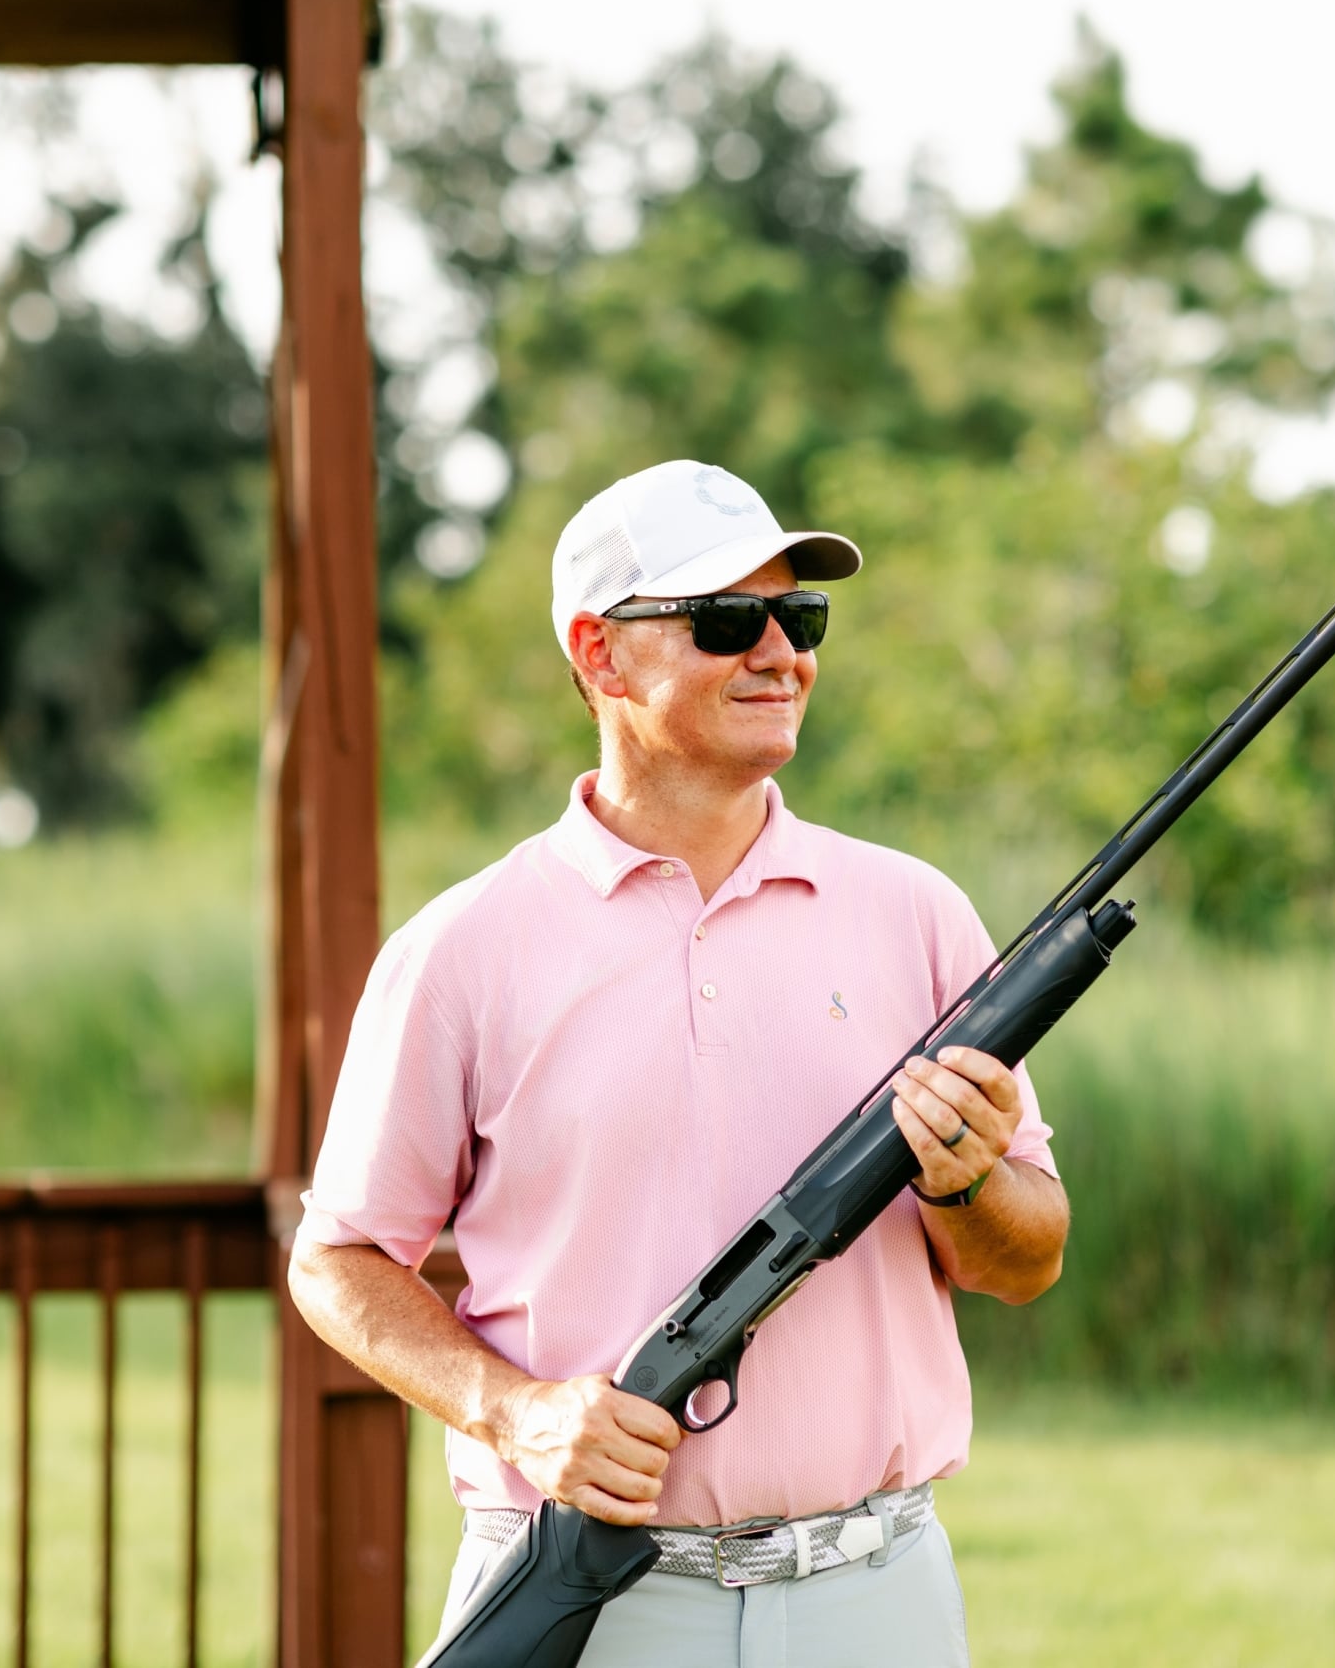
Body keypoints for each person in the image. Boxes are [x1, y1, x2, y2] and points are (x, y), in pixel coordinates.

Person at [289, 458, 1069, 1667]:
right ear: (600, 655)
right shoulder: (461, 947)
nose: (779, 653)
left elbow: (1027, 1258)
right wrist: (520, 1410)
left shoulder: (915, 911)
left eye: (798, 617)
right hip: (594, 1592)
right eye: (725, 620)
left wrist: (967, 1181)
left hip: (876, 1592)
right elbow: (337, 1259)